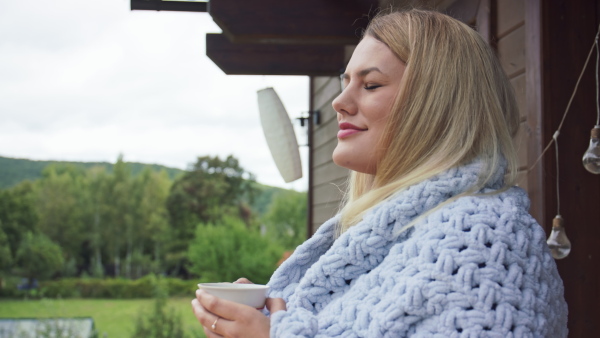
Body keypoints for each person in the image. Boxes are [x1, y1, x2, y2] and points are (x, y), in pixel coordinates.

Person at [191, 9, 568, 337]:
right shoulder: (380, 238)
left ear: (437, 106)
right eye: (345, 82)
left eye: (370, 85)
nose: (340, 102)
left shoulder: (484, 239)